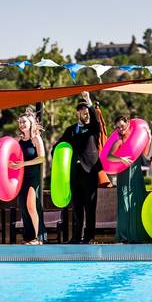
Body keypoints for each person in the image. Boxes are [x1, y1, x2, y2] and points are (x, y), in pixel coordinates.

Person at [57, 91, 101, 244]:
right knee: (77, 208)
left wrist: (89, 101)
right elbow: (59, 146)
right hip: (74, 174)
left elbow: (96, 121)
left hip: (90, 172)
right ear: (78, 114)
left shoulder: (93, 129)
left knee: (90, 207)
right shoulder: (70, 130)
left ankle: (89, 237)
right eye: (83, 112)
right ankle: (76, 237)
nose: (86, 115)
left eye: (88, 112)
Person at [106, 115, 150, 244]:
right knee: (125, 204)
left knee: (137, 202)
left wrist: (149, 137)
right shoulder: (119, 141)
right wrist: (121, 159)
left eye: (122, 126)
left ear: (128, 124)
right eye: (118, 127)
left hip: (136, 174)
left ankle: (139, 235)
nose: (121, 129)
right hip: (124, 174)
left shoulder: (136, 139)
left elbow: (145, 155)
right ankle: (124, 236)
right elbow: (109, 156)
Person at [10, 109, 46, 245]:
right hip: (20, 178)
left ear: (31, 123)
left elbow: (41, 158)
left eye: (24, 121)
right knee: (24, 208)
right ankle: (29, 237)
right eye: (19, 122)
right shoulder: (18, 140)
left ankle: (39, 237)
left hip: (33, 176)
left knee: (31, 206)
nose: (21, 124)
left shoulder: (36, 139)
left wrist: (23, 164)